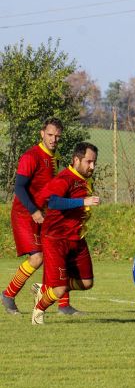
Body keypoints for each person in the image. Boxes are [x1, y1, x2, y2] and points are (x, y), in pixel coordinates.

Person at [2, 117, 81, 316]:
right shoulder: (31, 156)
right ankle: (8, 295)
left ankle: (64, 306)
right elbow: (19, 187)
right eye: (50, 135)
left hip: (45, 215)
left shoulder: (55, 157)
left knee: (61, 252)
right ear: (42, 133)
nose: (54, 139)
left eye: (57, 136)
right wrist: (34, 211)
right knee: (37, 258)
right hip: (25, 214)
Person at [29, 142, 100, 325]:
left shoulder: (84, 178)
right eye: (88, 162)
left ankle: (45, 289)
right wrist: (84, 201)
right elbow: (53, 203)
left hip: (76, 237)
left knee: (87, 283)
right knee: (59, 289)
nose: (92, 167)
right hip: (56, 238)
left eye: (94, 163)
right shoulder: (65, 179)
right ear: (76, 160)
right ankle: (39, 309)